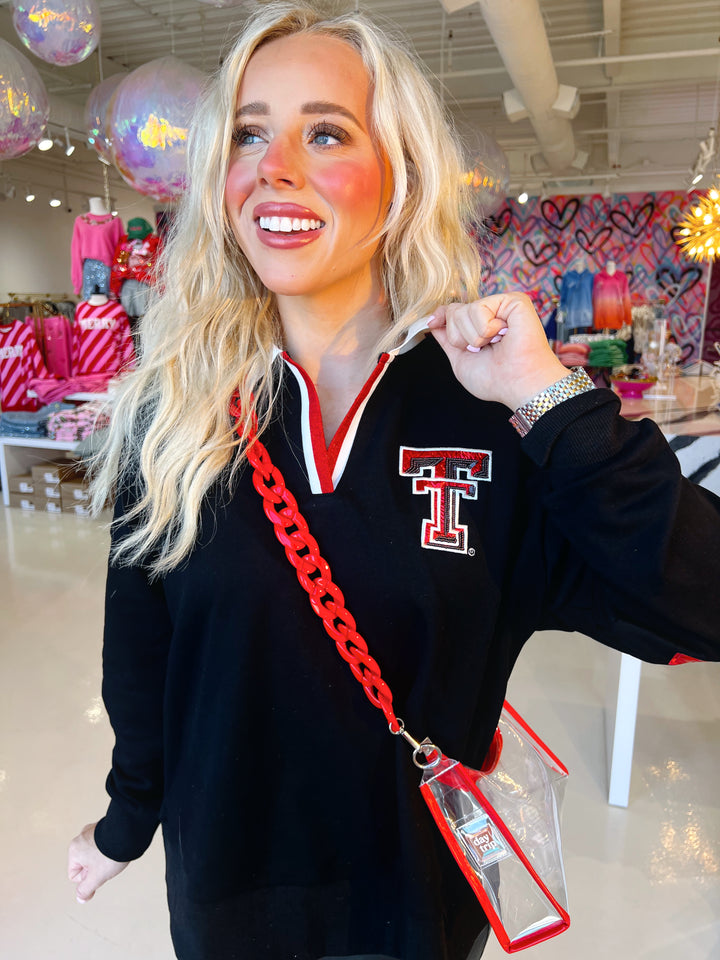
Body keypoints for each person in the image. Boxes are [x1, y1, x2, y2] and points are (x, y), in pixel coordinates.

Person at [67, 4, 720, 959]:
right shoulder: (171, 416)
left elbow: (702, 601)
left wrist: (552, 403)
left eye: (324, 131)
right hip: (227, 902)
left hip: (418, 910)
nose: (273, 165)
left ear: (402, 178)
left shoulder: (488, 418)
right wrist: (128, 821)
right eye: (250, 134)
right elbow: (144, 658)